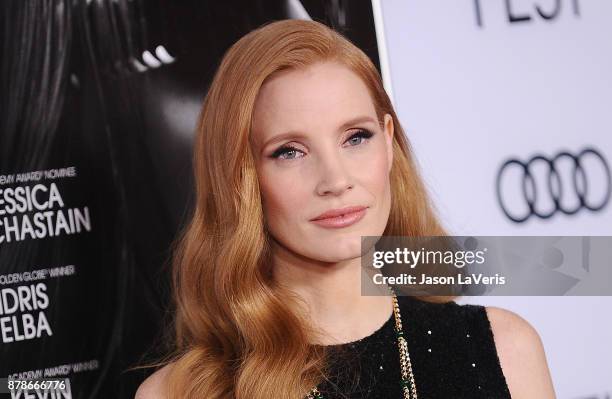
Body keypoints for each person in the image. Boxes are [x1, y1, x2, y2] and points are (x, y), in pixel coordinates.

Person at [135, 19, 556, 399]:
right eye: (289, 152)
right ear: (239, 176)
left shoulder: (505, 348)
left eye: (355, 137)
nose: (336, 180)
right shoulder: (178, 393)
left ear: (388, 141)